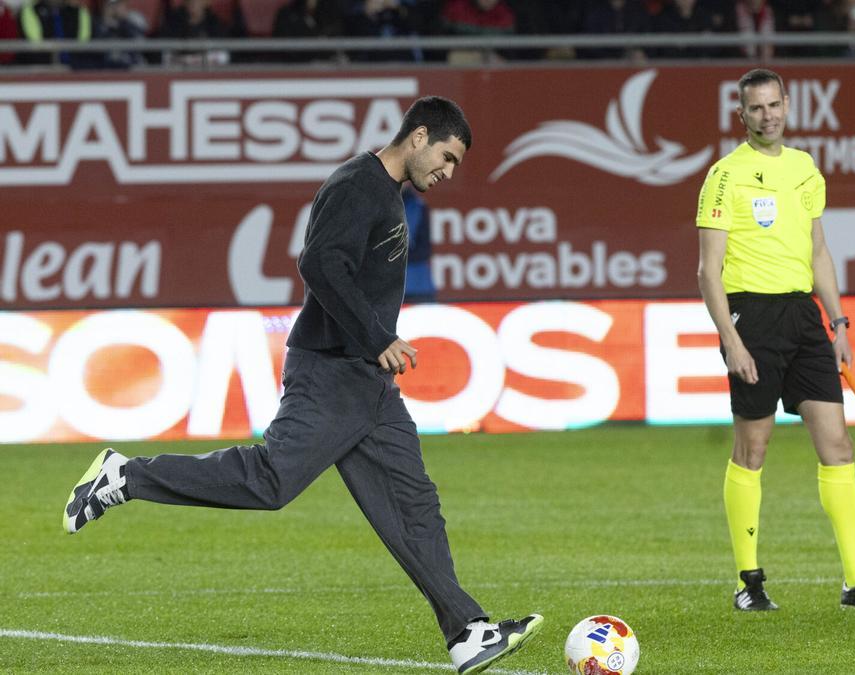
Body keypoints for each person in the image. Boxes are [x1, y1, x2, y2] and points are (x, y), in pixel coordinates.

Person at [62, 96, 543, 675]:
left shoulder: (383, 193)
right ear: (418, 137)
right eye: (446, 157)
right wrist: (375, 337)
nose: (446, 172)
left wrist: (374, 350)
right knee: (271, 482)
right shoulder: (357, 185)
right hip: (332, 371)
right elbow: (318, 264)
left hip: (368, 381)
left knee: (414, 501)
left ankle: (468, 631)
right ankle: (124, 476)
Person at [696, 68, 855, 611]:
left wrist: (838, 323)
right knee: (754, 447)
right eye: (757, 108)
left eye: (775, 105)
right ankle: (748, 581)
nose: (768, 115)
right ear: (741, 115)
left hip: (803, 317)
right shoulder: (724, 176)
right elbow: (708, 269)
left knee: (838, 445)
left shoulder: (804, 168)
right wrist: (731, 340)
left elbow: (819, 250)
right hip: (752, 317)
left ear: (788, 107)